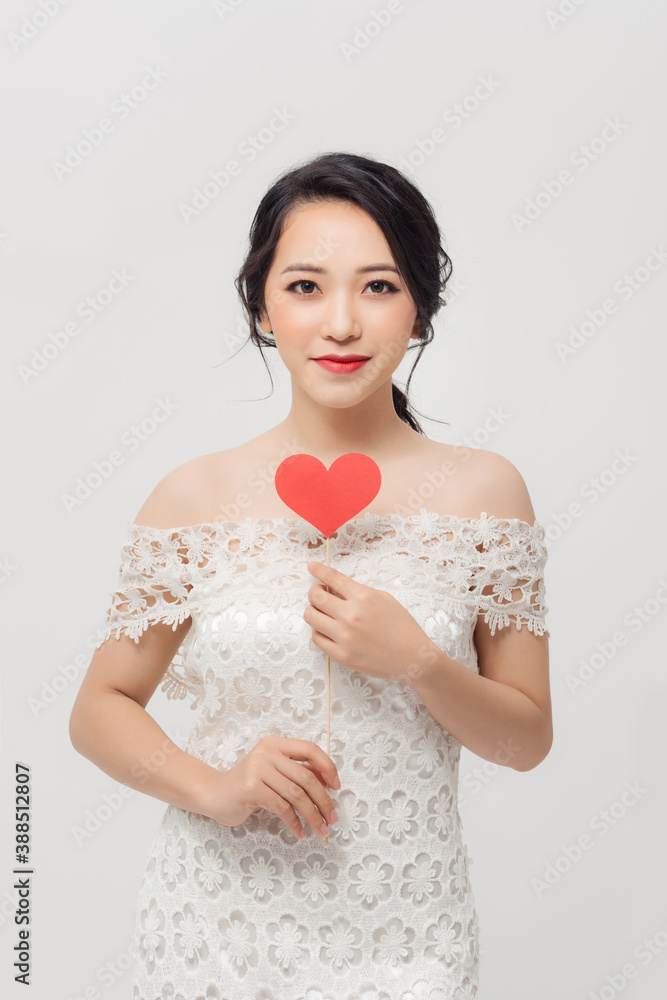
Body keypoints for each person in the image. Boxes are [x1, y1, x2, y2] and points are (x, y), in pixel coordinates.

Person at [69, 151, 552, 1000]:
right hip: (214, 932)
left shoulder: (486, 492)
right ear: (261, 306)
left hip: (408, 935)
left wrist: (422, 665)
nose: (341, 324)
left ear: (420, 313)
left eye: (377, 286)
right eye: (304, 287)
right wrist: (212, 788)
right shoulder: (193, 496)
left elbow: (524, 741)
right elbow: (98, 709)